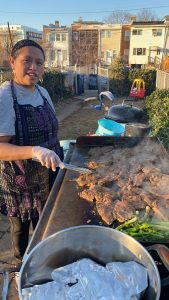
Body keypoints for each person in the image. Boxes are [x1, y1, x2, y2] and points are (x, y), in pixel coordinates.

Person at [0, 39, 64, 269]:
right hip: (20, 181)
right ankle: (21, 265)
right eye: (27, 60)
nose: (34, 67)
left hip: (47, 175)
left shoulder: (43, 92)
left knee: (43, 223)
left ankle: (41, 261)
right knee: (20, 228)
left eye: (39, 62)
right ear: (12, 62)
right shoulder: (5, 97)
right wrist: (34, 150)